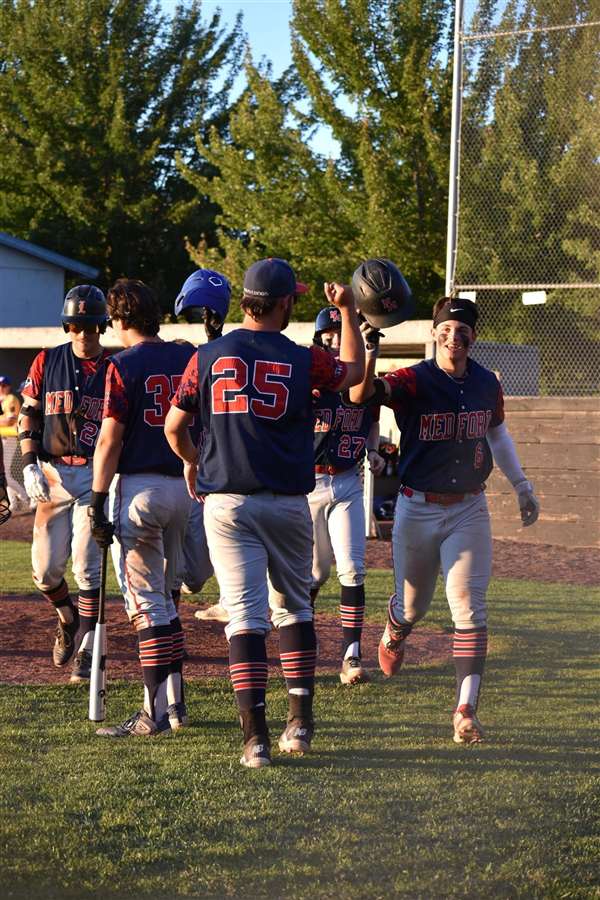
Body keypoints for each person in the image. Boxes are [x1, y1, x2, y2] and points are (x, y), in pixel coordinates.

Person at [165, 257, 365, 768]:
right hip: (288, 501)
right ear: (283, 303)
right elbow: (355, 372)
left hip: (227, 503)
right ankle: (299, 724)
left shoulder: (207, 356)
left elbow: (173, 426)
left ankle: (255, 739)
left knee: (245, 620)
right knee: (294, 610)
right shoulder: (302, 358)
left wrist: (193, 461)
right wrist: (346, 311)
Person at [350, 295, 540, 744]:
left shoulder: (486, 382)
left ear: (474, 336)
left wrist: (522, 485)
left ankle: (465, 710)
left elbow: (498, 434)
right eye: (447, 329)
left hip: (469, 506)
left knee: (469, 605)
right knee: (412, 607)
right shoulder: (414, 379)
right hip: (417, 506)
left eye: (463, 330)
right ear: (434, 333)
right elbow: (361, 395)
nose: (455, 337)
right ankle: (395, 630)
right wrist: (370, 348)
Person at [87, 278, 200, 738]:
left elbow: (109, 441)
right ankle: (176, 704)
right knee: (168, 600)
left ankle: (152, 714)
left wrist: (96, 501)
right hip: (186, 487)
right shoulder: (187, 356)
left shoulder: (122, 364)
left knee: (148, 606)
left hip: (140, 490)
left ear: (118, 319)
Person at [17, 286, 110, 681]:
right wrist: (28, 464)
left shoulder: (114, 366)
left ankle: (87, 648)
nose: (82, 333)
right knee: (44, 572)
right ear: (66, 326)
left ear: (102, 326)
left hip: (96, 473)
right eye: (75, 325)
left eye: (90, 326)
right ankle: (68, 618)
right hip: (53, 472)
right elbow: (29, 414)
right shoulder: (47, 359)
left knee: (87, 566)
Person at [308, 305, 386, 685]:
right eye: (331, 336)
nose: (337, 342)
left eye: (343, 335)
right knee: (314, 572)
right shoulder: (311, 378)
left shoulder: (365, 379)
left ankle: (351, 655)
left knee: (353, 569)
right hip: (308, 484)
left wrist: (372, 449)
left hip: (348, 481)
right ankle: (301, 642)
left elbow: (368, 415)